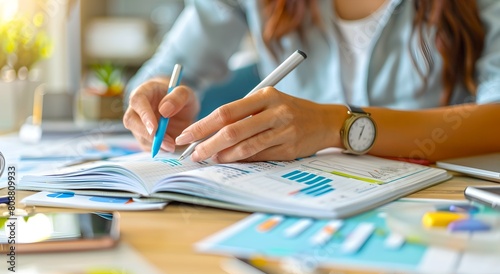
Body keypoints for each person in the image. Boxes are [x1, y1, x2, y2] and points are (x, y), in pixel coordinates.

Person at [123, 0, 500, 164]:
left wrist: (336, 126)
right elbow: (174, 68)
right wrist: (158, 94)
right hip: (298, 201)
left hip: (435, 201)